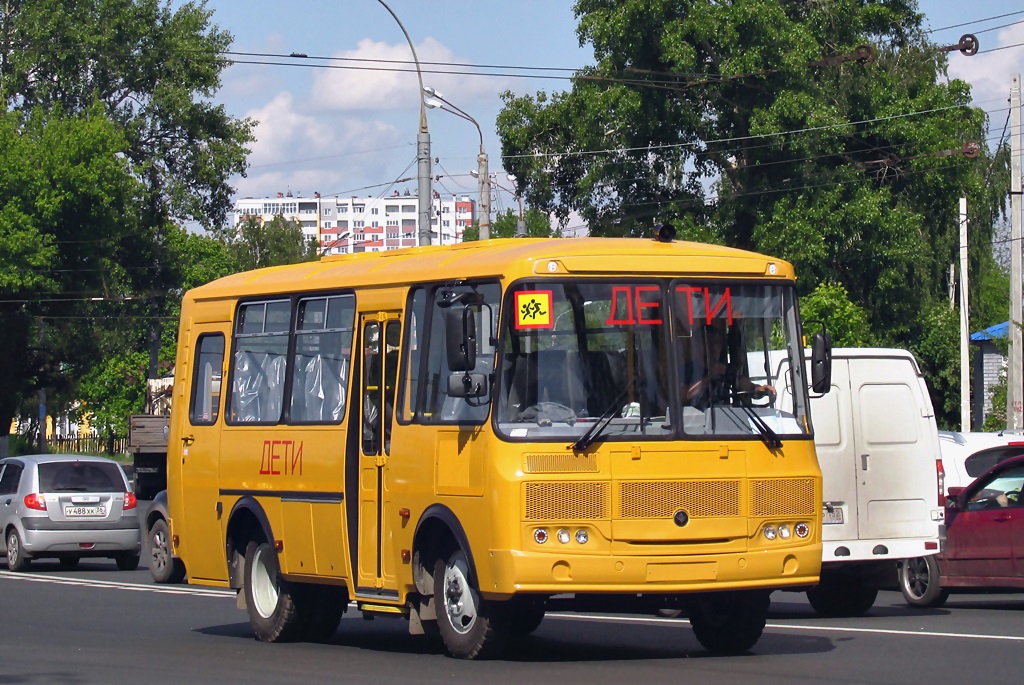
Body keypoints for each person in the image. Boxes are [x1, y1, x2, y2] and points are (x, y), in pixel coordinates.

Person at [685, 324, 775, 407]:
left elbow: (747, 387)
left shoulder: (726, 370)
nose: (713, 348)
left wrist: (761, 390)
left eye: (716, 343)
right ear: (697, 347)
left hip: (725, 418)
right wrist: (709, 377)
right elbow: (683, 396)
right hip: (694, 421)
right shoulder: (686, 369)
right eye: (708, 344)